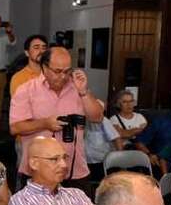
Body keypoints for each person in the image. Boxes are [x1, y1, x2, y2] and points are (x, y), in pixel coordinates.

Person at [10, 46, 105, 190]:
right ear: (44, 67)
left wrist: (84, 92)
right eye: (57, 71)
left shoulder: (77, 88)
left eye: (67, 71)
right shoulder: (26, 90)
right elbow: (15, 127)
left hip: (74, 171)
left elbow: (97, 117)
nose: (63, 76)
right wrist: (45, 124)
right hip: (38, 173)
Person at [85, 117, 123, 183]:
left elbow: (116, 138)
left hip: (103, 162)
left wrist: (120, 160)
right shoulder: (80, 119)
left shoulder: (103, 120)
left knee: (105, 183)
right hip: (86, 162)